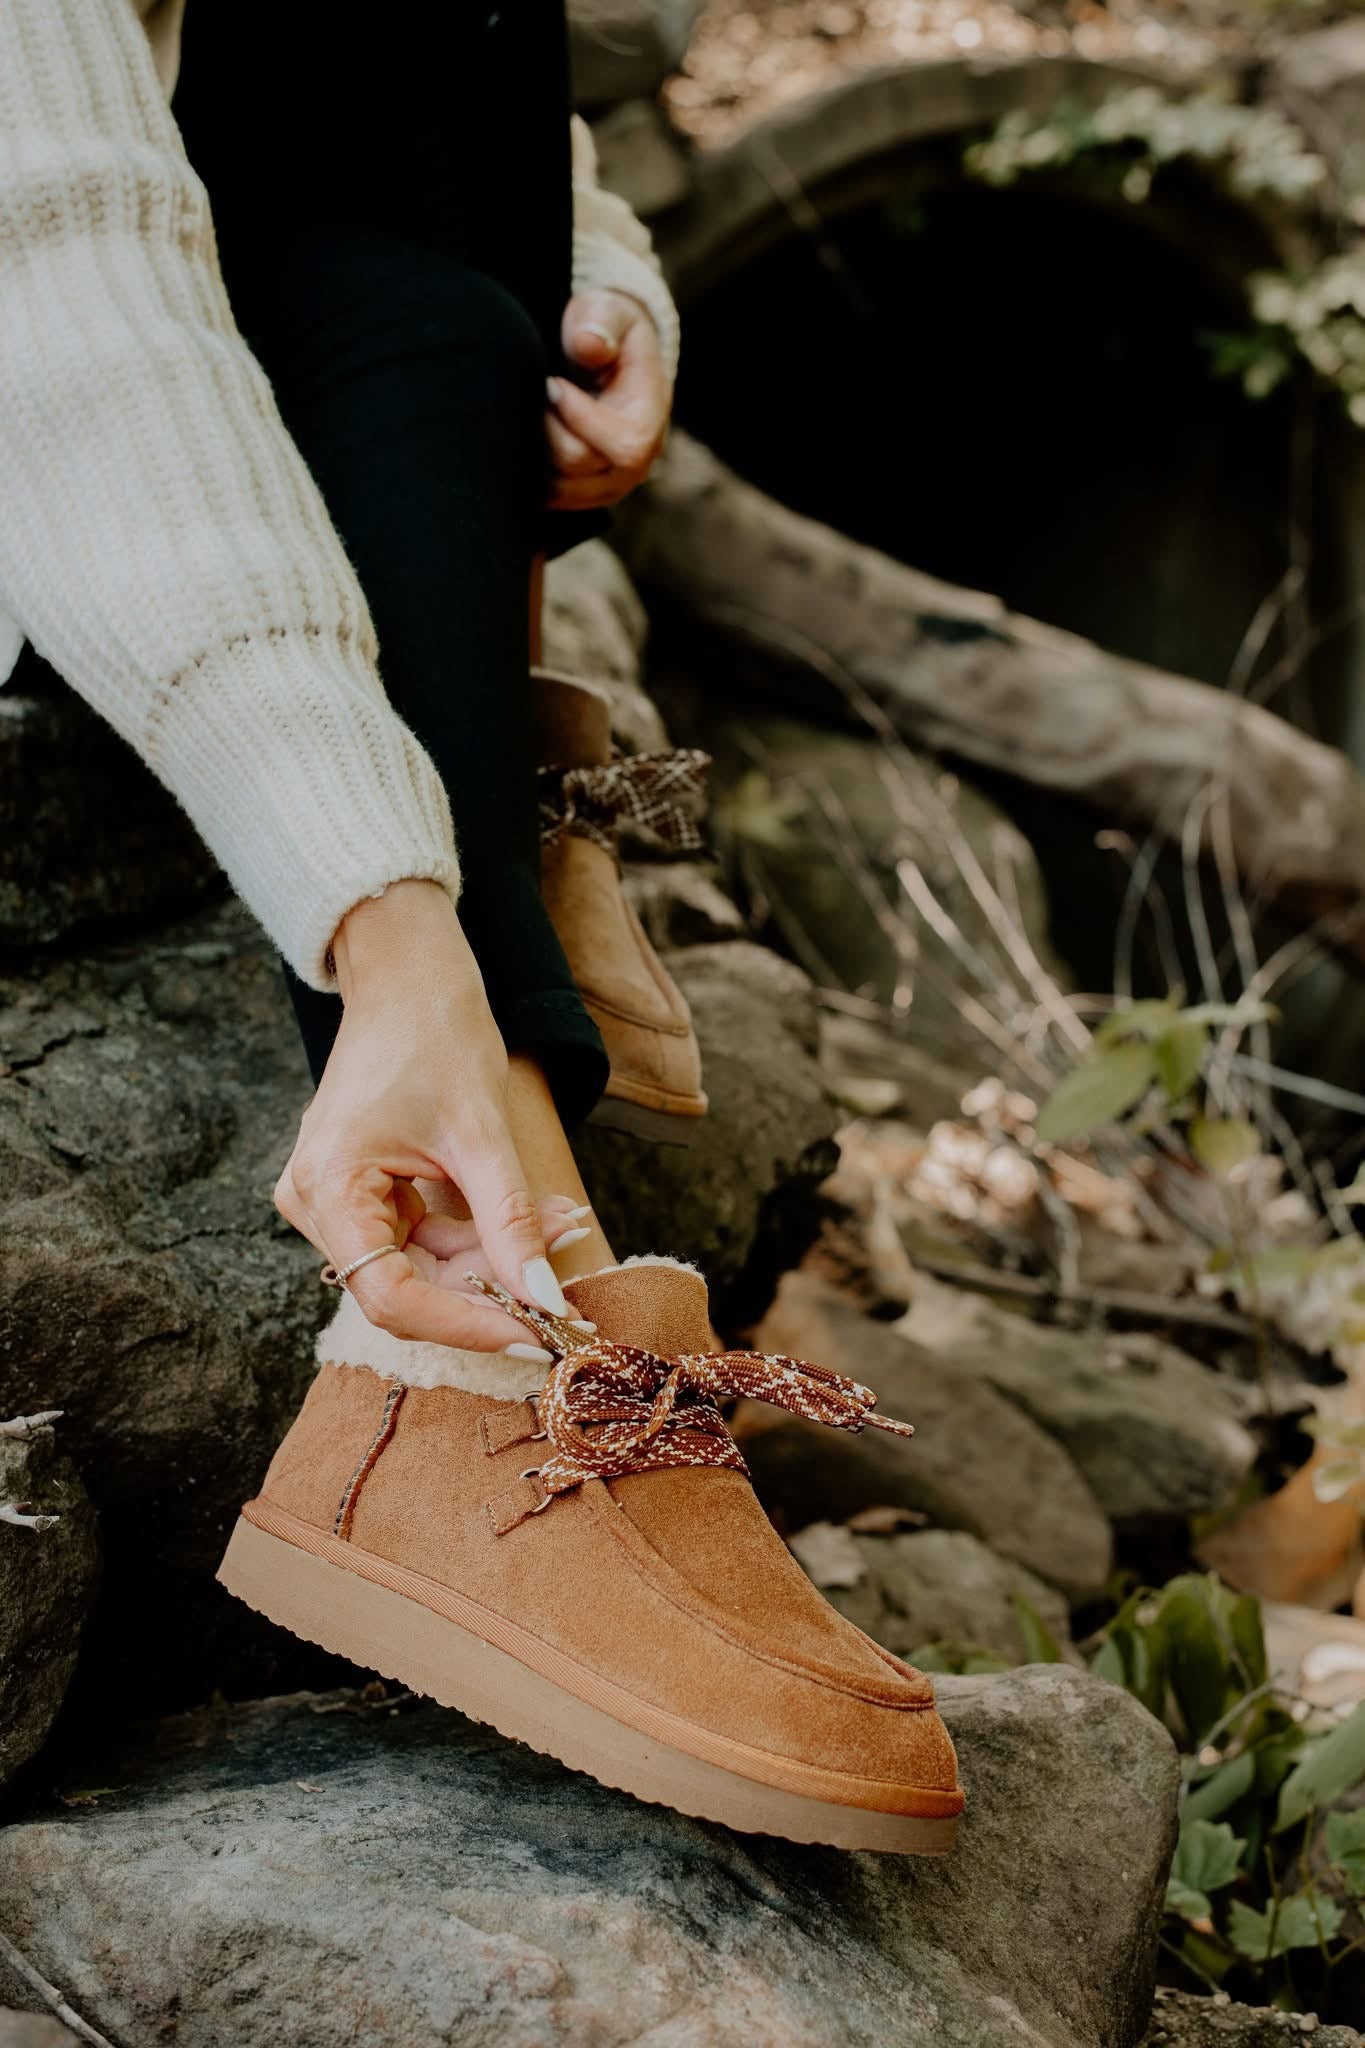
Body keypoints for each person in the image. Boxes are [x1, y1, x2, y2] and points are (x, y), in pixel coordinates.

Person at [0, 0, 964, 1852]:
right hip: (49, 377)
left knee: (448, 238)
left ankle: (515, 1269)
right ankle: (475, 1340)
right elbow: (59, 279)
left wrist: (596, 301)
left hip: (216, 311)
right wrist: (389, 920)